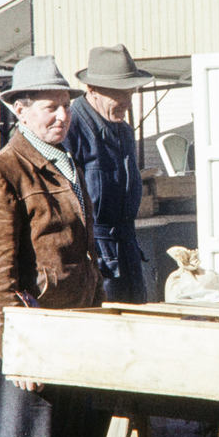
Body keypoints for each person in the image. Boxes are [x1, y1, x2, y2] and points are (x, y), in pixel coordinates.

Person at [0, 56, 105, 437]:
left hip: (71, 334)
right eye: (50, 107)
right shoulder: (0, 174)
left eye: (66, 105)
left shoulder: (64, 164)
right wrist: (18, 351)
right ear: (20, 110)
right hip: (27, 345)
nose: (62, 116)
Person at [64, 44, 154, 304]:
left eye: (131, 93)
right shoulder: (71, 127)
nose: (128, 102)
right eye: (119, 93)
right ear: (92, 89)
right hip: (94, 260)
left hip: (127, 252)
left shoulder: (123, 129)